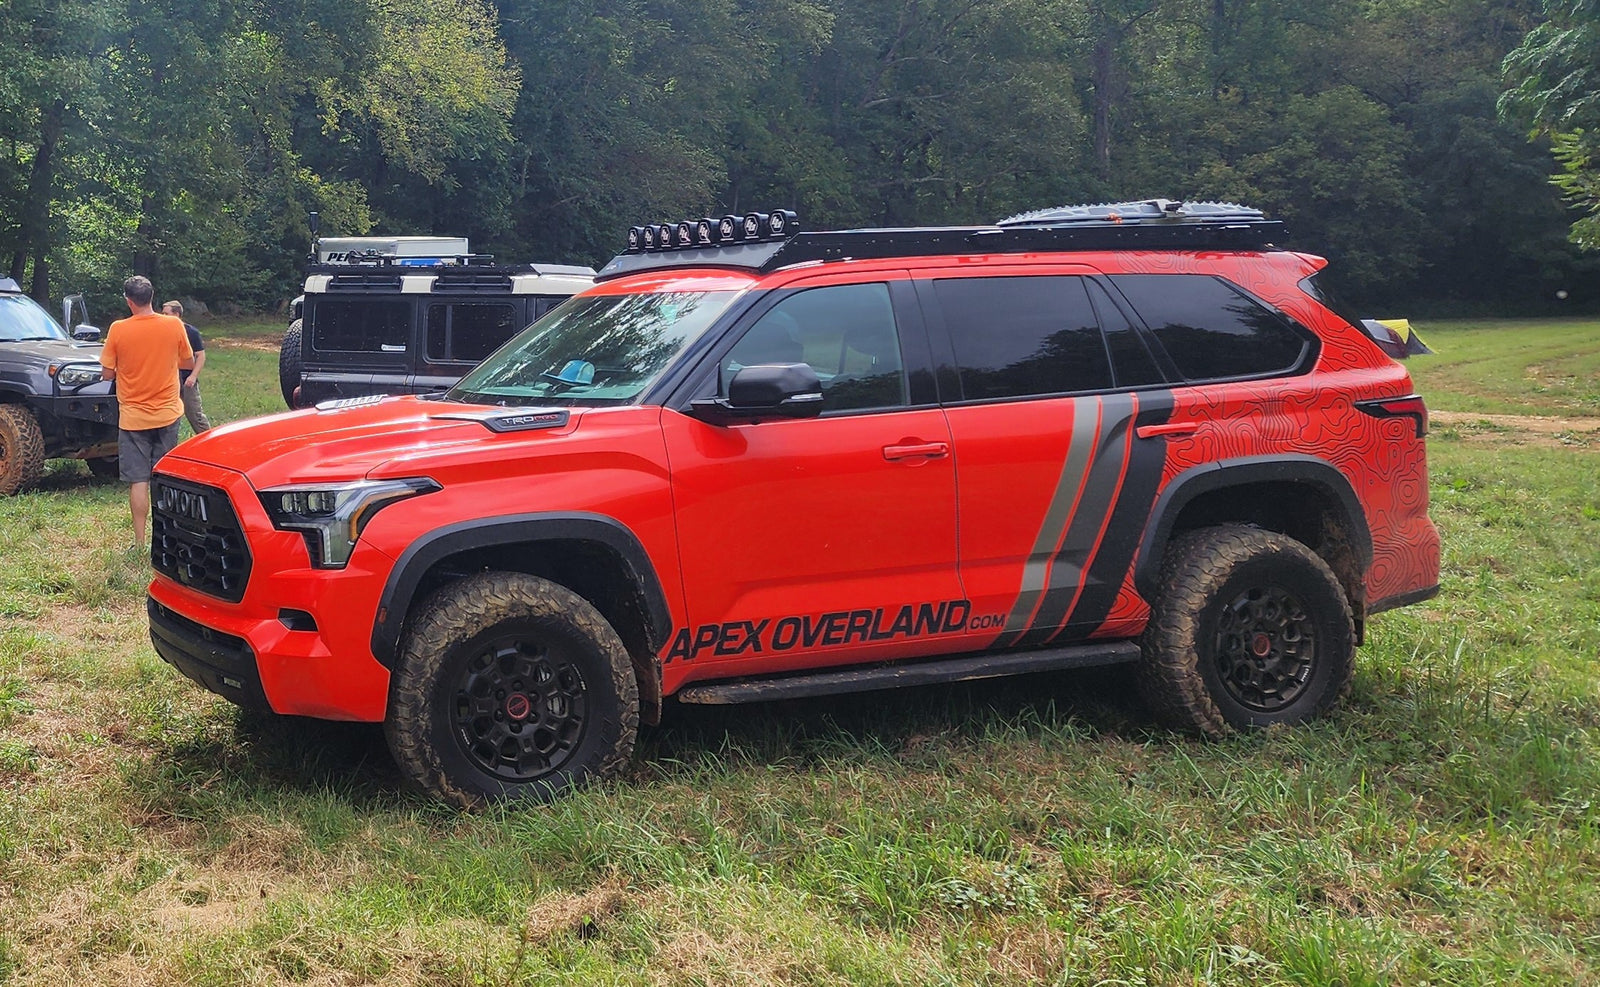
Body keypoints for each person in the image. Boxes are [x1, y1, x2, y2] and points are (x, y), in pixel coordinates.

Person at [101, 276, 193, 547]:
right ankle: (166, 539)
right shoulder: (174, 324)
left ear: (128, 301)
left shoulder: (118, 329)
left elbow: (107, 374)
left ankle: (140, 542)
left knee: (139, 480)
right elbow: (186, 360)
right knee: (163, 478)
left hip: (133, 418)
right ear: (152, 297)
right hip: (168, 414)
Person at [161, 300, 211, 433]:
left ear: (177, 314)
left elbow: (200, 356)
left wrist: (193, 376)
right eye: (163, 314)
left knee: (195, 414)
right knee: (167, 416)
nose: (163, 316)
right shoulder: (161, 332)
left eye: (166, 313)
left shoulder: (191, 332)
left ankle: (210, 442)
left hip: (187, 379)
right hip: (168, 379)